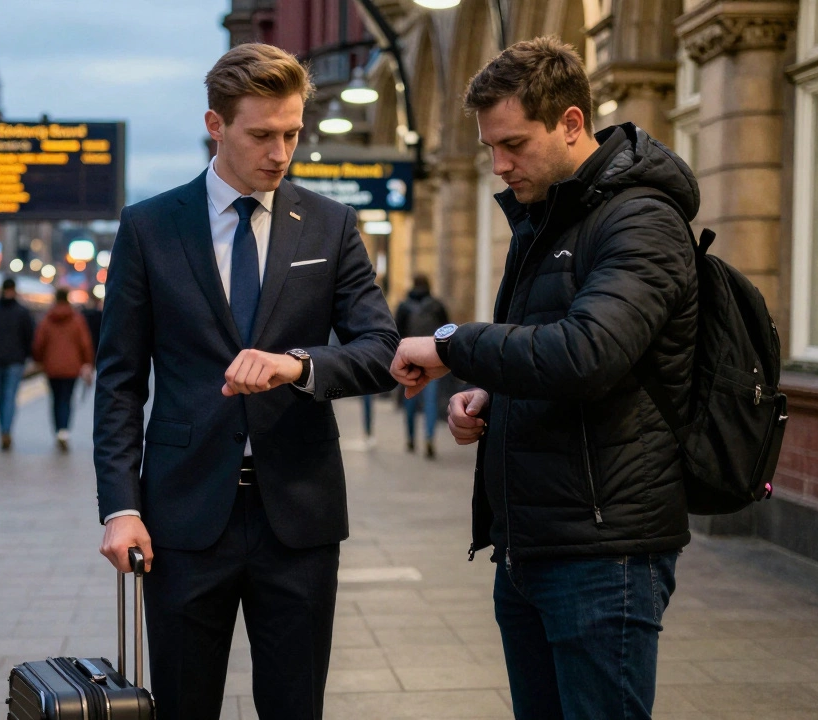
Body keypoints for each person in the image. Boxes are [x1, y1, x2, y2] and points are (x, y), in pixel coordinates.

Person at [389, 37, 698, 720]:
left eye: (514, 144)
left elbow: (590, 353)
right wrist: (491, 396)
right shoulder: (550, 218)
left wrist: (450, 344)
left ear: (571, 123)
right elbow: (552, 350)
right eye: (489, 149)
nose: (500, 166)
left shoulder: (641, 219)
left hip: (603, 551)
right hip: (531, 544)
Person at [94, 43, 398, 720]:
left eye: (292, 133)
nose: (280, 152)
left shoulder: (330, 223)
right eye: (262, 134)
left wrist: (298, 364)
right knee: (182, 706)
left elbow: (380, 349)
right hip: (182, 516)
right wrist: (121, 507)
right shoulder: (149, 227)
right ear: (216, 125)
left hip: (299, 515)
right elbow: (119, 380)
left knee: (295, 709)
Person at [392, 274, 449, 458]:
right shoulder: (437, 305)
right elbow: (447, 331)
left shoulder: (403, 307)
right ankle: (429, 437)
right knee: (430, 401)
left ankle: (410, 439)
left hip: (410, 359)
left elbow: (395, 333)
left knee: (410, 398)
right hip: (433, 359)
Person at [0, 277, 35, 450]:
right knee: (9, 396)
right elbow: (30, 336)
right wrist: (26, 355)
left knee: (1, 397)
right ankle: (6, 430)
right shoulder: (23, 312)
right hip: (16, 361)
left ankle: (3, 430)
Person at [33, 288, 93, 452]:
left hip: (51, 368)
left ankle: (58, 430)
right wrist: (88, 363)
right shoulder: (77, 320)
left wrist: (39, 360)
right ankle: (64, 431)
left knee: (55, 399)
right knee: (67, 398)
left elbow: (39, 343)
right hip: (72, 368)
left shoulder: (47, 320)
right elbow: (85, 344)